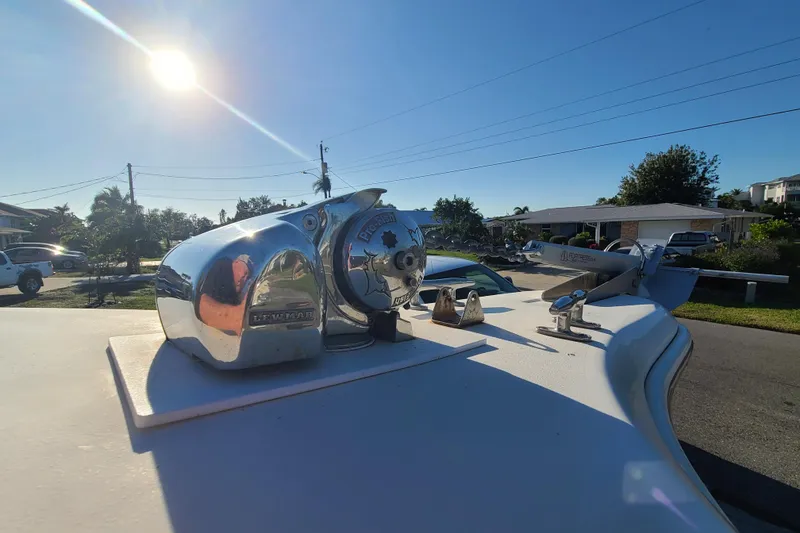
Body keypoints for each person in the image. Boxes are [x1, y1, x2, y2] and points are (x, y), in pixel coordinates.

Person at [197, 255, 253, 335]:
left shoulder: (234, 291)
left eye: (248, 277)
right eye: (245, 272)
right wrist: (236, 318)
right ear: (236, 263)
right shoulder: (224, 265)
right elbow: (202, 305)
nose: (245, 278)